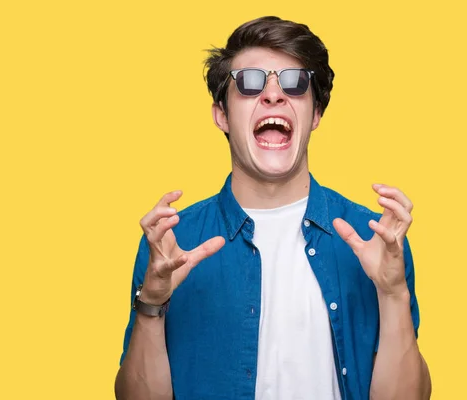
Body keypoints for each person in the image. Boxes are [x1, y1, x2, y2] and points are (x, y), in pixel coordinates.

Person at [114, 16, 432, 400]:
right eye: (249, 82)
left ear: (315, 114)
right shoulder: (172, 244)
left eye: (295, 83)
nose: (273, 95)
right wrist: (152, 303)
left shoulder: (375, 237)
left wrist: (393, 293)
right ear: (222, 115)